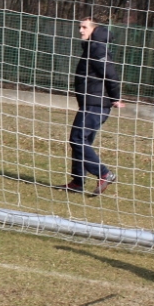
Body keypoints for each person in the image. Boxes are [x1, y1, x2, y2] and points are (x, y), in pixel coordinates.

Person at [60, 17, 124, 195]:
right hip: (91, 102)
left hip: (95, 104)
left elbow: (110, 73)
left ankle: (104, 173)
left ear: (94, 29)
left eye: (84, 27)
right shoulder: (92, 46)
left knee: (77, 138)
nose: (80, 30)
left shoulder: (97, 47)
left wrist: (115, 97)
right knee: (83, 141)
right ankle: (78, 182)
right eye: (79, 26)